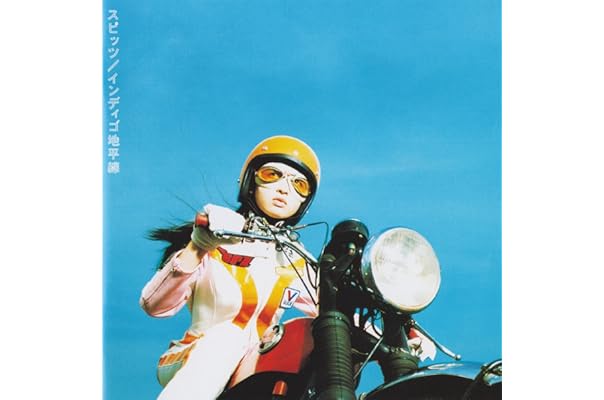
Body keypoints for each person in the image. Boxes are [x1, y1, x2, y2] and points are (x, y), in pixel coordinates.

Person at [140, 135, 321, 400]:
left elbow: (333, 310)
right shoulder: (219, 230)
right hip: (195, 353)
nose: (284, 189)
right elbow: (154, 305)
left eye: (299, 184)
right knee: (228, 336)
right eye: (272, 174)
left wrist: (386, 329)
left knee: (312, 339)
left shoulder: (298, 259)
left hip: (255, 363)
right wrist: (197, 246)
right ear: (250, 181)